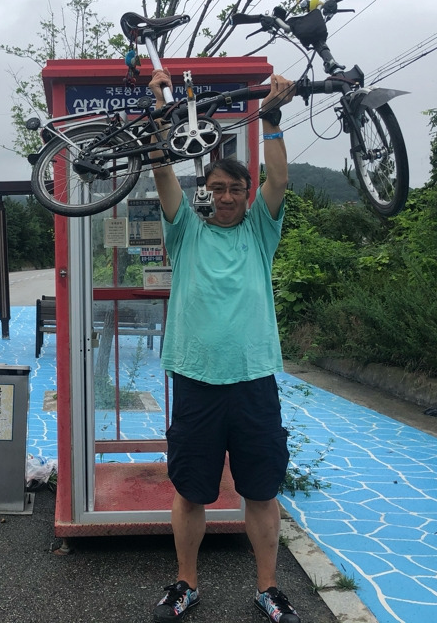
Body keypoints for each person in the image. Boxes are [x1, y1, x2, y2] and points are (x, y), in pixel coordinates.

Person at [147, 68, 301, 623]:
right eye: (217, 189)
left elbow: (278, 180)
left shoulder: (261, 232)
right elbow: (162, 171)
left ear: (246, 194)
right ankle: (185, 583)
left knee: (261, 491)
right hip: (196, 380)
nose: (228, 196)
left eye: (236, 188)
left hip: (254, 380)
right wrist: (160, 108)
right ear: (205, 194)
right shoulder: (185, 231)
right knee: (191, 491)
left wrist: (273, 118)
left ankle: (269, 588)